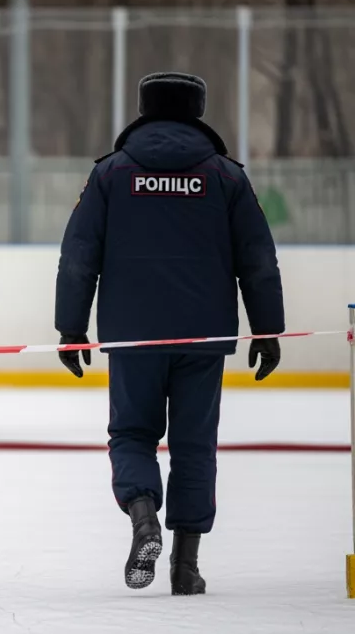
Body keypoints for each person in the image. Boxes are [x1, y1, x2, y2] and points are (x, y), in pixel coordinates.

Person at [54, 72, 284, 595]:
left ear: (144, 109)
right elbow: (259, 260)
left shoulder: (111, 174)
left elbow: (78, 255)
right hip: (203, 337)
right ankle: (185, 566)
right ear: (198, 111)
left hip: (132, 335)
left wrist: (72, 327)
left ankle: (142, 520)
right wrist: (267, 329)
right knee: (194, 444)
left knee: (133, 434)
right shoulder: (227, 177)